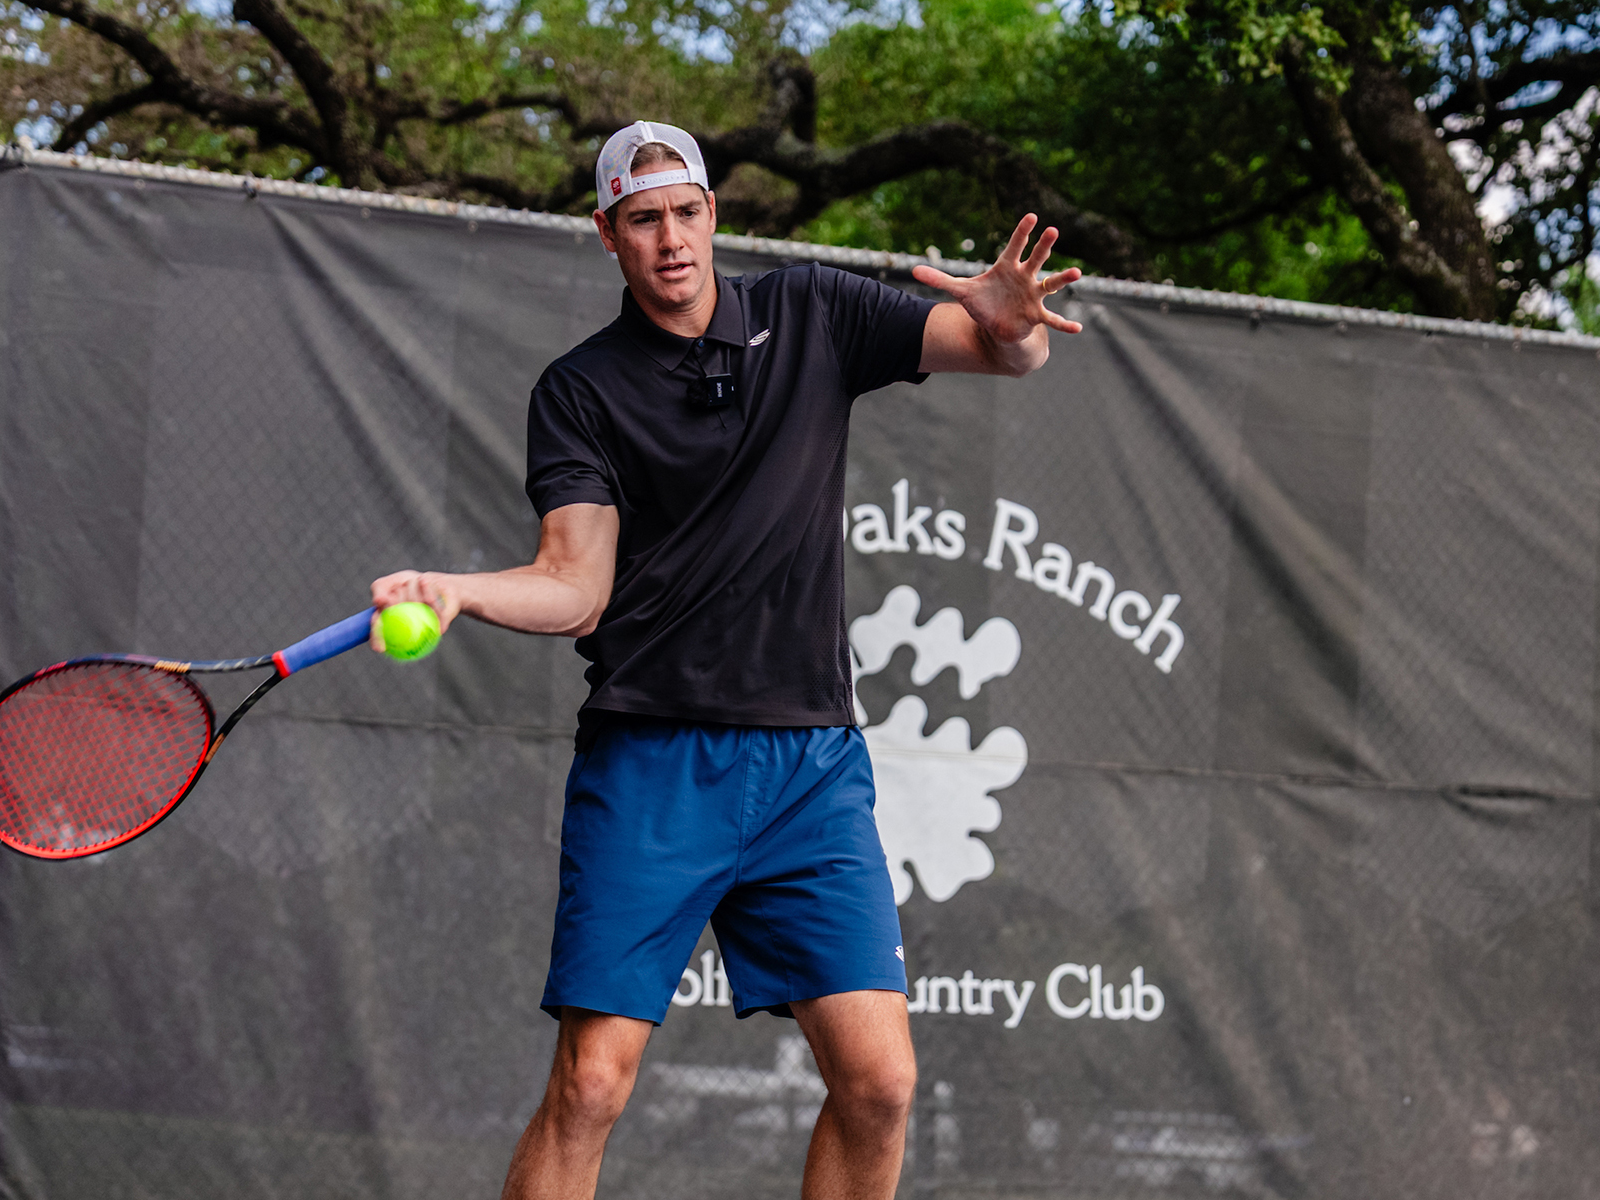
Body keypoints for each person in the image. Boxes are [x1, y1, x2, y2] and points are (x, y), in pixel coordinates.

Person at [369, 119, 1082, 1200]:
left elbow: (1003, 350)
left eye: (686, 213)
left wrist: (1014, 325)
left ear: (713, 214)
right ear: (607, 233)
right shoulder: (579, 391)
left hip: (811, 769)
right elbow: (575, 585)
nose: (671, 240)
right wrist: (459, 592)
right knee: (591, 1085)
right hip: (654, 762)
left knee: (881, 1084)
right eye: (643, 219)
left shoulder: (815, 312)